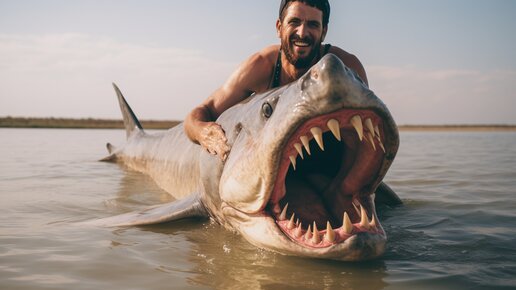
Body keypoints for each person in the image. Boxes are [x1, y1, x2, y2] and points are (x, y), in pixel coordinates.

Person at [184, 0, 368, 161]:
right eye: (294, 22)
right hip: (275, 159)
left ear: (324, 31)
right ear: (279, 27)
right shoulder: (261, 67)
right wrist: (203, 132)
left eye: (313, 24)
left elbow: (367, 136)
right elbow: (202, 112)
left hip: (328, 159)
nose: (302, 33)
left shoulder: (346, 69)